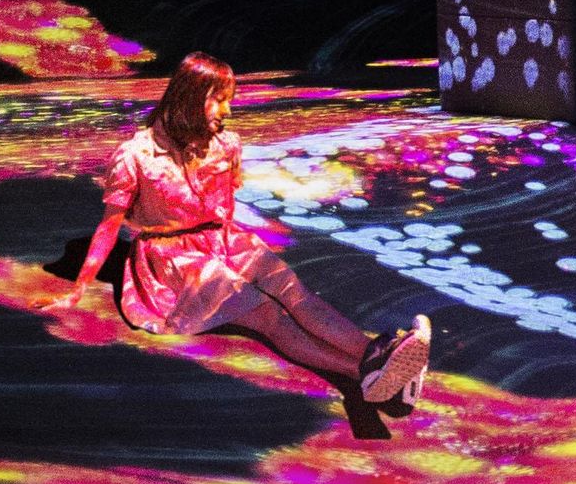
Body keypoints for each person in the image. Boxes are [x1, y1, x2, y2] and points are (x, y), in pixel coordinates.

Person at [74, 54, 426, 439]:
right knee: (267, 315)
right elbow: (109, 226)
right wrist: (78, 287)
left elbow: (224, 206)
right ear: (189, 96)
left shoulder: (226, 144)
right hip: (175, 258)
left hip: (224, 239)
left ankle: (375, 356)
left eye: (230, 99)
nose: (227, 110)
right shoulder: (135, 155)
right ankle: (366, 376)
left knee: (295, 293)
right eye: (218, 99)